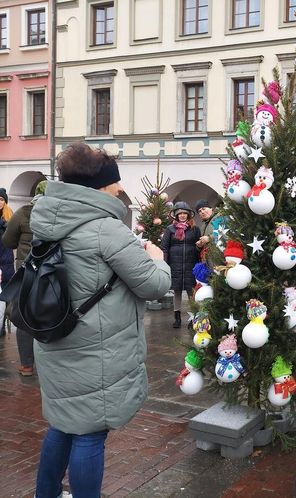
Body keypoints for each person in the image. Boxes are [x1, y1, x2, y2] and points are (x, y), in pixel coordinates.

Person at [29, 142, 171, 498]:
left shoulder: (48, 220)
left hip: (56, 338)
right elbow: (155, 286)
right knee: (90, 432)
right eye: (114, 182)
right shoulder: (106, 230)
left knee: (62, 425)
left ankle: (45, 494)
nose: (120, 188)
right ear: (97, 187)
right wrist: (156, 257)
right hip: (96, 351)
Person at [1, 180, 46, 375]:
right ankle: (48, 364)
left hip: (26, 272)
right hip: (52, 273)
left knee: (24, 316)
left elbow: (9, 242)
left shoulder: (22, 213)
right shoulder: (60, 214)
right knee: (50, 314)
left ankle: (27, 365)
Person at [161, 201, 201, 328]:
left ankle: (192, 318)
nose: (183, 215)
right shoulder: (170, 229)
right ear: (176, 215)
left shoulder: (195, 229)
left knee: (191, 292)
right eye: (180, 213)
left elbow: (199, 247)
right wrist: (165, 264)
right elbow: (165, 248)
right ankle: (177, 318)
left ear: (188, 215)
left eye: (185, 213)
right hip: (175, 264)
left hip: (191, 264)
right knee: (177, 291)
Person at [0, 187, 15, 337]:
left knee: (4, 295)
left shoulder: (9, 217)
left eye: (1, 199)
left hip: (6, 262)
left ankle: (2, 323)